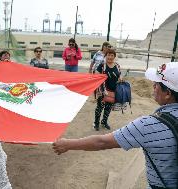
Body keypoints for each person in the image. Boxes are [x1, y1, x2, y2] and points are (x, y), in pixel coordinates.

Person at [53, 61, 178, 189]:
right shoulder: (104, 65)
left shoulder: (149, 125)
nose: (153, 86)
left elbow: (102, 142)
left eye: (156, 84)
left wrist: (67, 144)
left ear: (168, 93)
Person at [93, 48, 121, 131]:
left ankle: (104, 122)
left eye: (112, 55)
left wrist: (120, 78)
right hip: (103, 91)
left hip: (113, 91)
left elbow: (119, 75)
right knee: (99, 108)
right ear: (106, 56)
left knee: (108, 108)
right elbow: (96, 76)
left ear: (114, 56)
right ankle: (96, 123)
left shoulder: (117, 66)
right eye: (108, 55)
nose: (110, 57)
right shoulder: (102, 66)